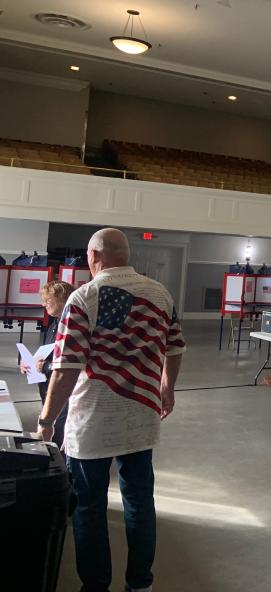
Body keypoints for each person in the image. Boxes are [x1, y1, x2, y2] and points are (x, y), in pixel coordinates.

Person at [37, 228, 185, 592]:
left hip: (92, 425)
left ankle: (97, 585)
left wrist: (46, 419)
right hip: (141, 419)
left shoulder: (84, 297)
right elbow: (176, 345)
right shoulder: (160, 293)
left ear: (94, 257)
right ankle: (140, 584)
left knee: (89, 507)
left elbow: (67, 367)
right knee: (139, 503)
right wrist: (167, 387)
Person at [18, 279, 75, 446]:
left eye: (48, 300)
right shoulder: (54, 323)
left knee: (58, 433)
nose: (44, 304)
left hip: (62, 391)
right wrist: (29, 362)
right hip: (48, 387)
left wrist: (45, 366)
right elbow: (48, 352)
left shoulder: (71, 326)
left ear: (62, 300)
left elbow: (71, 363)